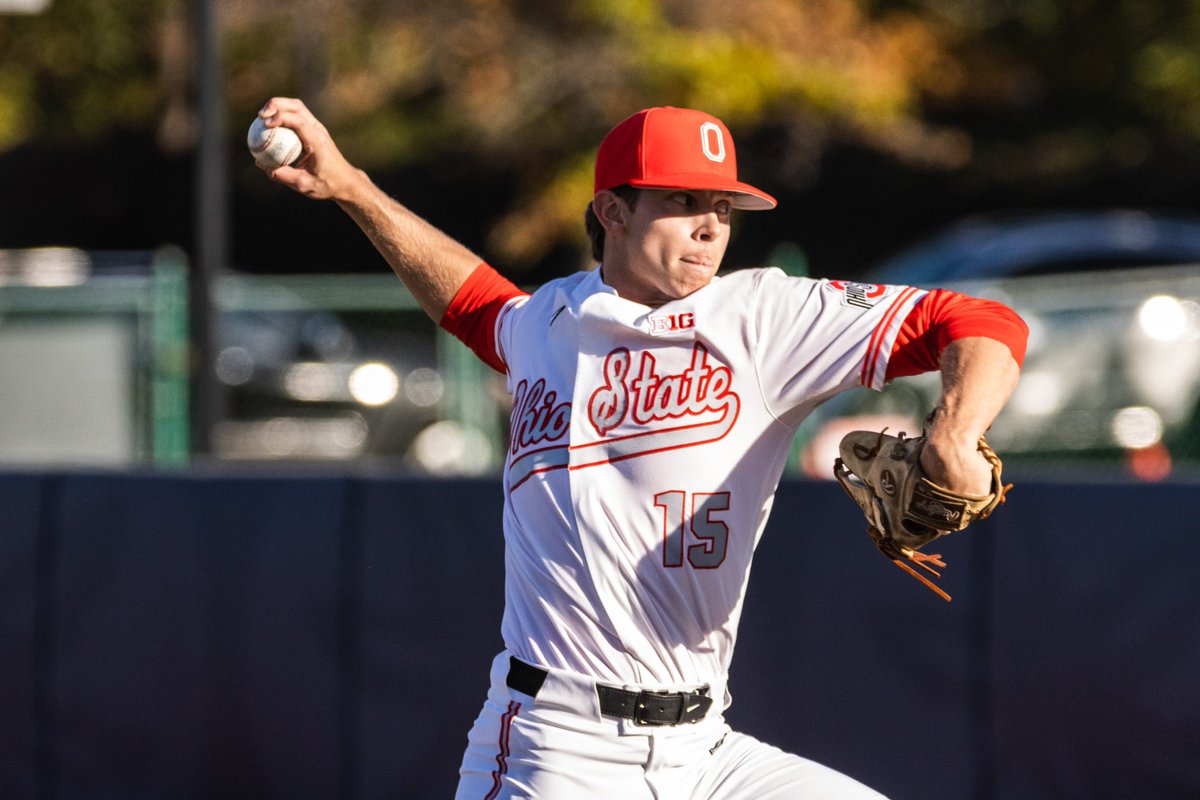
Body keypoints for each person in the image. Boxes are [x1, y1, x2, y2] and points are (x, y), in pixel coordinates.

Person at [256, 98, 1027, 799]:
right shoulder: (549, 322)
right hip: (554, 747)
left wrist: (956, 431)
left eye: (722, 208)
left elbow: (984, 322)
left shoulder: (765, 318)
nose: (709, 226)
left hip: (708, 752)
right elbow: (469, 302)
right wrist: (353, 186)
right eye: (682, 201)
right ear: (612, 211)